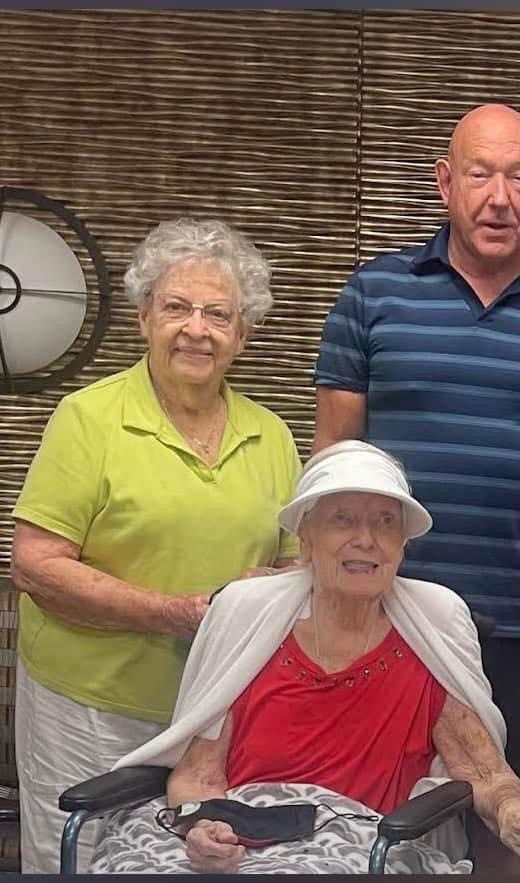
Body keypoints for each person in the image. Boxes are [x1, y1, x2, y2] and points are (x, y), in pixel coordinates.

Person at [90, 440, 520, 874]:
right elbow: (199, 775)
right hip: (240, 833)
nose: (366, 540)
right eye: (343, 519)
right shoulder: (249, 620)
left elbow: (482, 769)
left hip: (363, 843)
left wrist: (517, 811)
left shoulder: (430, 632)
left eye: (385, 523)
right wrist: (203, 825)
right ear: (306, 539)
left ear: (402, 545)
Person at [312, 103, 520, 790]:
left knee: (512, 818)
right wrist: (319, 596)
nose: (499, 198)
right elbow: (332, 457)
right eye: (480, 174)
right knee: (375, 807)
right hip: (386, 612)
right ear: (445, 182)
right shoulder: (373, 294)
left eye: (518, 178)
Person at [10, 218, 301, 872]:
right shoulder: (89, 418)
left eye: (218, 314)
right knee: (77, 859)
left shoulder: (274, 435)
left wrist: (274, 587)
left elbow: (294, 563)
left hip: (213, 717)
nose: (197, 328)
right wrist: (173, 613)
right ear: (144, 318)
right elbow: (35, 564)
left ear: (243, 334)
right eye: (177, 307)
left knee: (185, 863)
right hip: (87, 706)